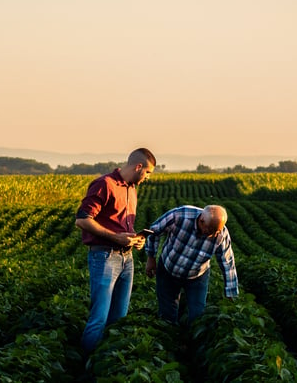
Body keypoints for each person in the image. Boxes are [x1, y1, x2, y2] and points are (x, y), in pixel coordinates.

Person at [75, 147, 156, 352]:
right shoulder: (105, 185)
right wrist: (115, 237)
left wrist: (136, 239)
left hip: (126, 259)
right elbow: (82, 220)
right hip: (104, 257)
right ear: (138, 167)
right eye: (147, 173)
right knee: (99, 318)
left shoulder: (131, 189)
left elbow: (121, 227)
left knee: (119, 317)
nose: (147, 178)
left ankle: (108, 360)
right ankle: (87, 367)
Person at [143, 204, 238, 325]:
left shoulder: (221, 233)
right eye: (210, 230)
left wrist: (230, 292)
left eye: (217, 231)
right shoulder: (180, 216)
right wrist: (151, 258)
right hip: (168, 270)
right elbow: (154, 231)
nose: (214, 234)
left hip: (197, 276)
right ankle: (171, 336)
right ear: (202, 221)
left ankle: (192, 339)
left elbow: (227, 261)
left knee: (198, 314)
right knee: (167, 313)